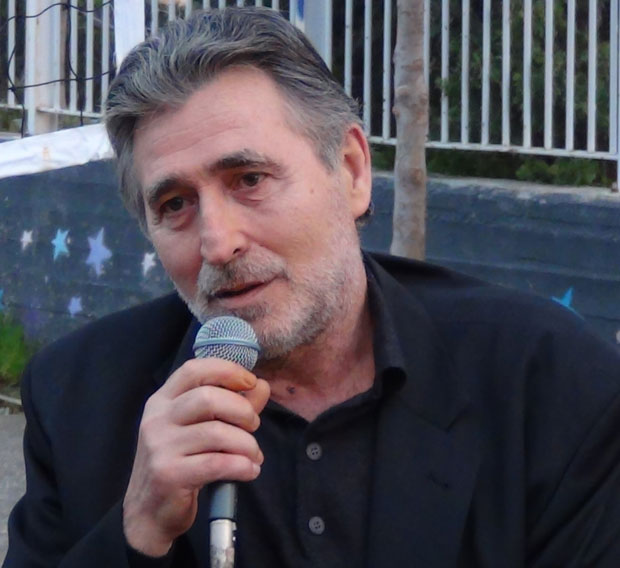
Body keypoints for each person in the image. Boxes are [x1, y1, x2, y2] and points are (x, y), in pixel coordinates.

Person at [4, 6, 620, 568]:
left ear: (351, 172)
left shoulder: (547, 384)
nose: (217, 243)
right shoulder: (78, 402)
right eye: (175, 204)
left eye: (249, 179)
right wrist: (135, 534)